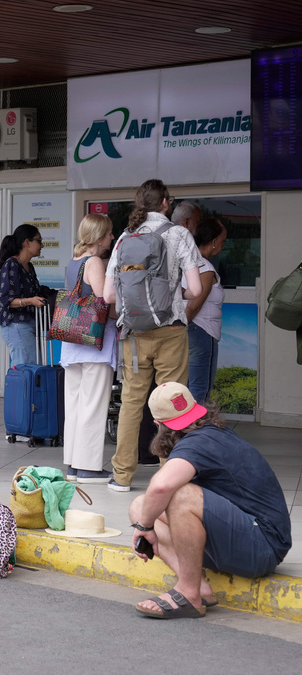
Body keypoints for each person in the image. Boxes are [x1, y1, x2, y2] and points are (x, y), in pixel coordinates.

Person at [129, 383, 291, 619]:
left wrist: (144, 528)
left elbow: (162, 485)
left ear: (158, 425)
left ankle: (188, 593)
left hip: (263, 546)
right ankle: (197, 586)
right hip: (244, 540)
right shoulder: (210, 433)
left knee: (181, 496)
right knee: (141, 506)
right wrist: (146, 521)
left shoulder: (199, 443)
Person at [104, 179, 203, 493]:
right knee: (172, 403)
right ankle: (166, 475)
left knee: (132, 403)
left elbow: (108, 295)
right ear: (165, 203)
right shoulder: (178, 234)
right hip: (170, 331)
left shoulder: (123, 237)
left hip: (133, 334)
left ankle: (121, 476)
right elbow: (197, 290)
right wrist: (174, 291)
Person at [60, 214, 118, 483]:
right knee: (93, 404)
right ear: (99, 235)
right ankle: (89, 467)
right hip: (93, 342)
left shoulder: (74, 261)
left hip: (72, 341)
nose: (111, 238)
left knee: (75, 404)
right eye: (108, 234)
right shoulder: (94, 261)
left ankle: (73, 463)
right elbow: (104, 300)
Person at [0, 223, 52, 366]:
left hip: (28, 323)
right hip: (16, 324)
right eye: (39, 240)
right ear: (26, 242)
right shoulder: (11, 264)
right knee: (27, 369)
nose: (42, 245)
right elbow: (6, 300)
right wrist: (30, 301)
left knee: (33, 367)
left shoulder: (29, 266)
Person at [184, 216, 226, 403]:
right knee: (200, 390)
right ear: (215, 242)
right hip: (201, 332)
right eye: (223, 241)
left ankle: (182, 430)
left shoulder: (187, 263)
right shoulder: (205, 268)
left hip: (188, 331)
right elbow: (193, 306)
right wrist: (179, 329)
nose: (223, 245)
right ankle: (194, 431)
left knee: (185, 388)